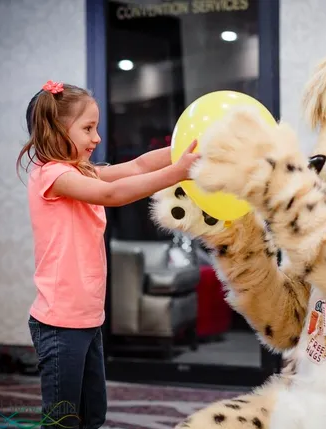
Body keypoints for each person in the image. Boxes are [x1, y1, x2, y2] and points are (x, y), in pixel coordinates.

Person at [16, 80, 199, 429]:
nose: (96, 137)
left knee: (92, 415)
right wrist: (178, 173)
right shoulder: (52, 176)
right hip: (59, 323)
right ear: (55, 130)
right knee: (63, 421)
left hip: (87, 319)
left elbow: (139, 167)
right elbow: (113, 194)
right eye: (87, 128)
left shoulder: (80, 172)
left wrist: (188, 150)